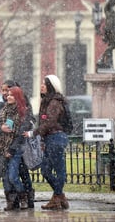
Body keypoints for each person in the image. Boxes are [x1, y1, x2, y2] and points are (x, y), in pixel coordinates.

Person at [23, 75, 69, 210]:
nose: (41, 86)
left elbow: (50, 122)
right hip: (49, 138)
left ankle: (57, 197)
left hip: (56, 138)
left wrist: (34, 133)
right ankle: (60, 196)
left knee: (58, 169)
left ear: (51, 86)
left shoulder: (54, 102)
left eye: (44, 83)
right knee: (45, 170)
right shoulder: (46, 101)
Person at [0, 80, 36, 209]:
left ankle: (26, 198)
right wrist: (1, 128)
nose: (6, 94)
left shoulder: (24, 108)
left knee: (20, 174)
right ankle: (11, 201)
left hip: (17, 148)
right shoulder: (2, 108)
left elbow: (25, 127)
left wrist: (12, 148)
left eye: (8, 90)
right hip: (3, 147)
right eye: (4, 91)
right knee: (7, 177)